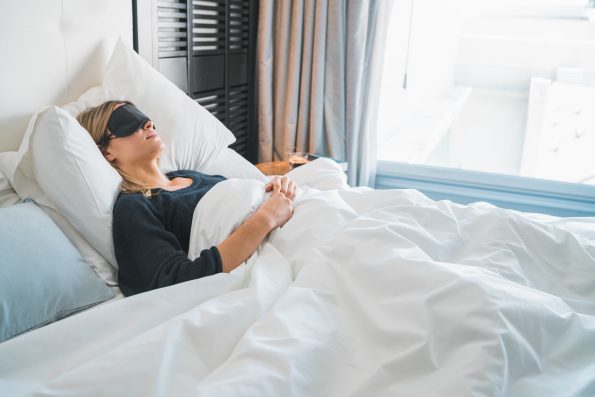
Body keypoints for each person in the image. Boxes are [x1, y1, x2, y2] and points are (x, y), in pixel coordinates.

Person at [77, 101, 296, 296]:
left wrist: (276, 186)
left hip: (291, 217)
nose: (148, 124)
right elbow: (173, 281)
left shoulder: (190, 175)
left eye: (144, 117)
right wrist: (265, 218)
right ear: (107, 152)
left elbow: (240, 200)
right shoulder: (135, 205)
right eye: (126, 120)